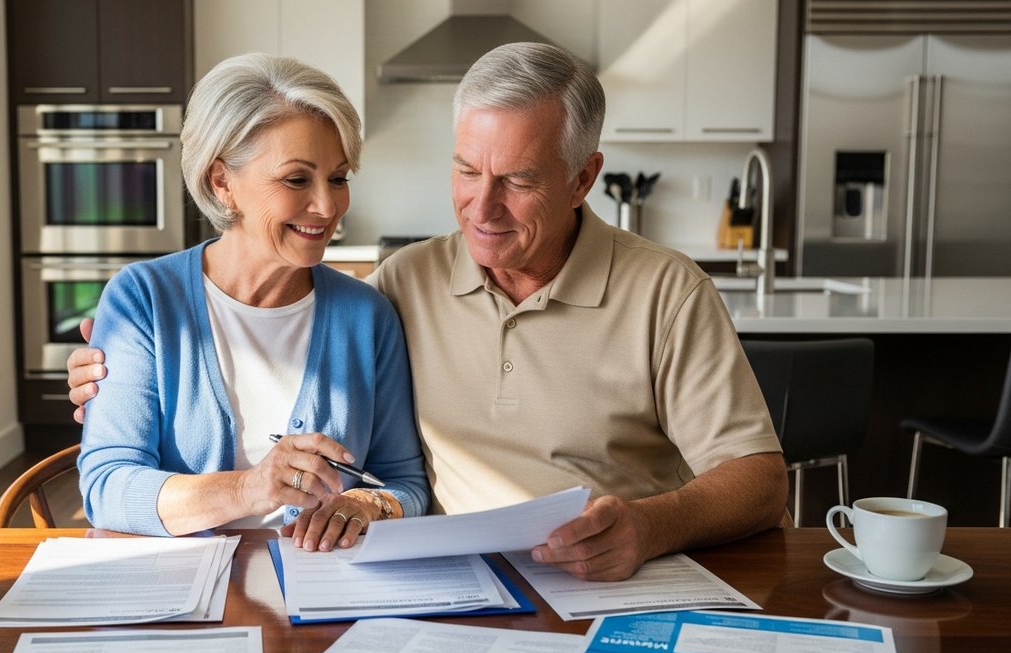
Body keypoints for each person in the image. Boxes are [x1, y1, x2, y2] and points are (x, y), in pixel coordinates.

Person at [69, 43, 788, 581]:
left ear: (583, 180)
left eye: (518, 180)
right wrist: (111, 375)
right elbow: (109, 480)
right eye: (468, 171)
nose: (482, 207)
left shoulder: (665, 292)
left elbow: (759, 480)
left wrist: (651, 526)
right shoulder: (405, 284)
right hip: (401, 586)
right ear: (221, 180)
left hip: (598, 583)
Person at [75, 53, 429, 550]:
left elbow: (406, 484)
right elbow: (107, 487)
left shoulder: (366, 316)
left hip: (325, 597)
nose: (327, 206)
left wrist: (371, 505)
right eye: (296, 179)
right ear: (223, 182)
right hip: (185, 598)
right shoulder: (145, 300)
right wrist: (249, 488)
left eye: (339, 177)